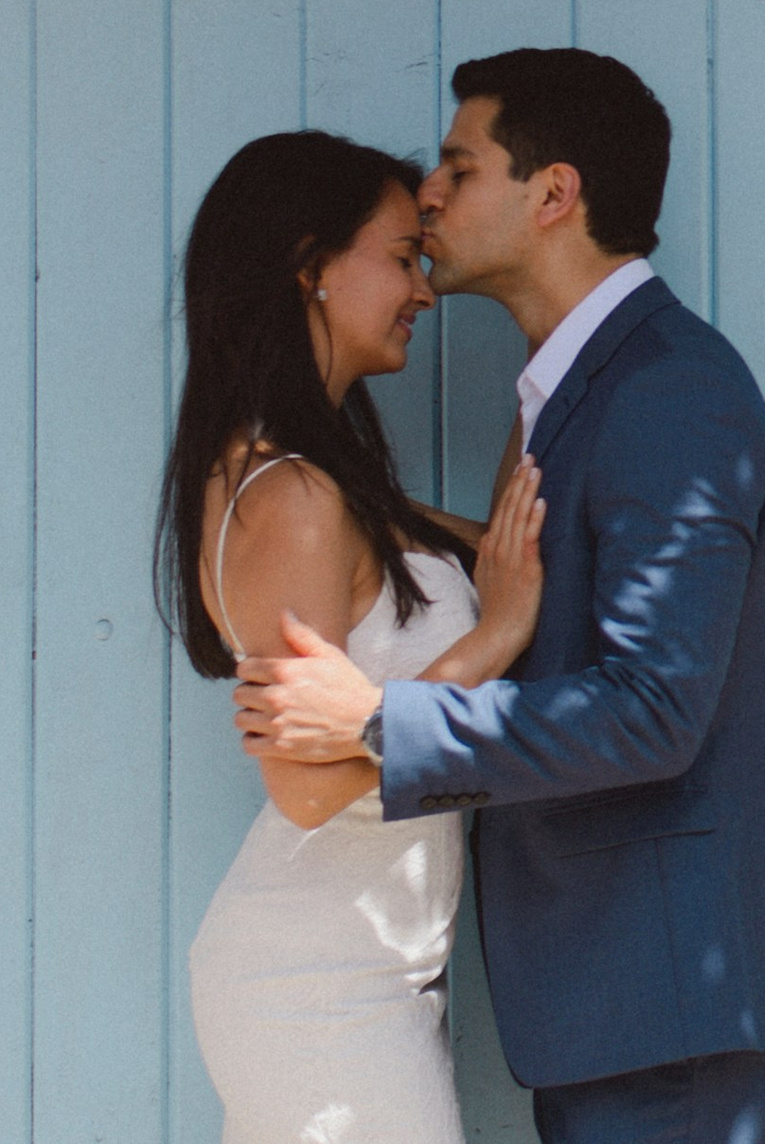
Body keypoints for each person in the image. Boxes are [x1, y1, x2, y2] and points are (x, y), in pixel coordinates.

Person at [233, 47, 765, 1144]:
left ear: (554, 194)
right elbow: (558, 583)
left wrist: (381, 722)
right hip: (626, 999)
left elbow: (653, 709)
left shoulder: (666, 390)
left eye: (457, 166)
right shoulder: (579, 386)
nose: (427, 194)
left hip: (674, 1009)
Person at [161, 130, 550, 1144]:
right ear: (311, 269)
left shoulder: (329, 485)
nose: (422, 289)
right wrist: (498, 633)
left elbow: (504, 547)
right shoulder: (290, 496)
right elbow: (303, 784)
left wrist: (550, 360)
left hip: (358, 978)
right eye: (400, 255)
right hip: (317, 989)